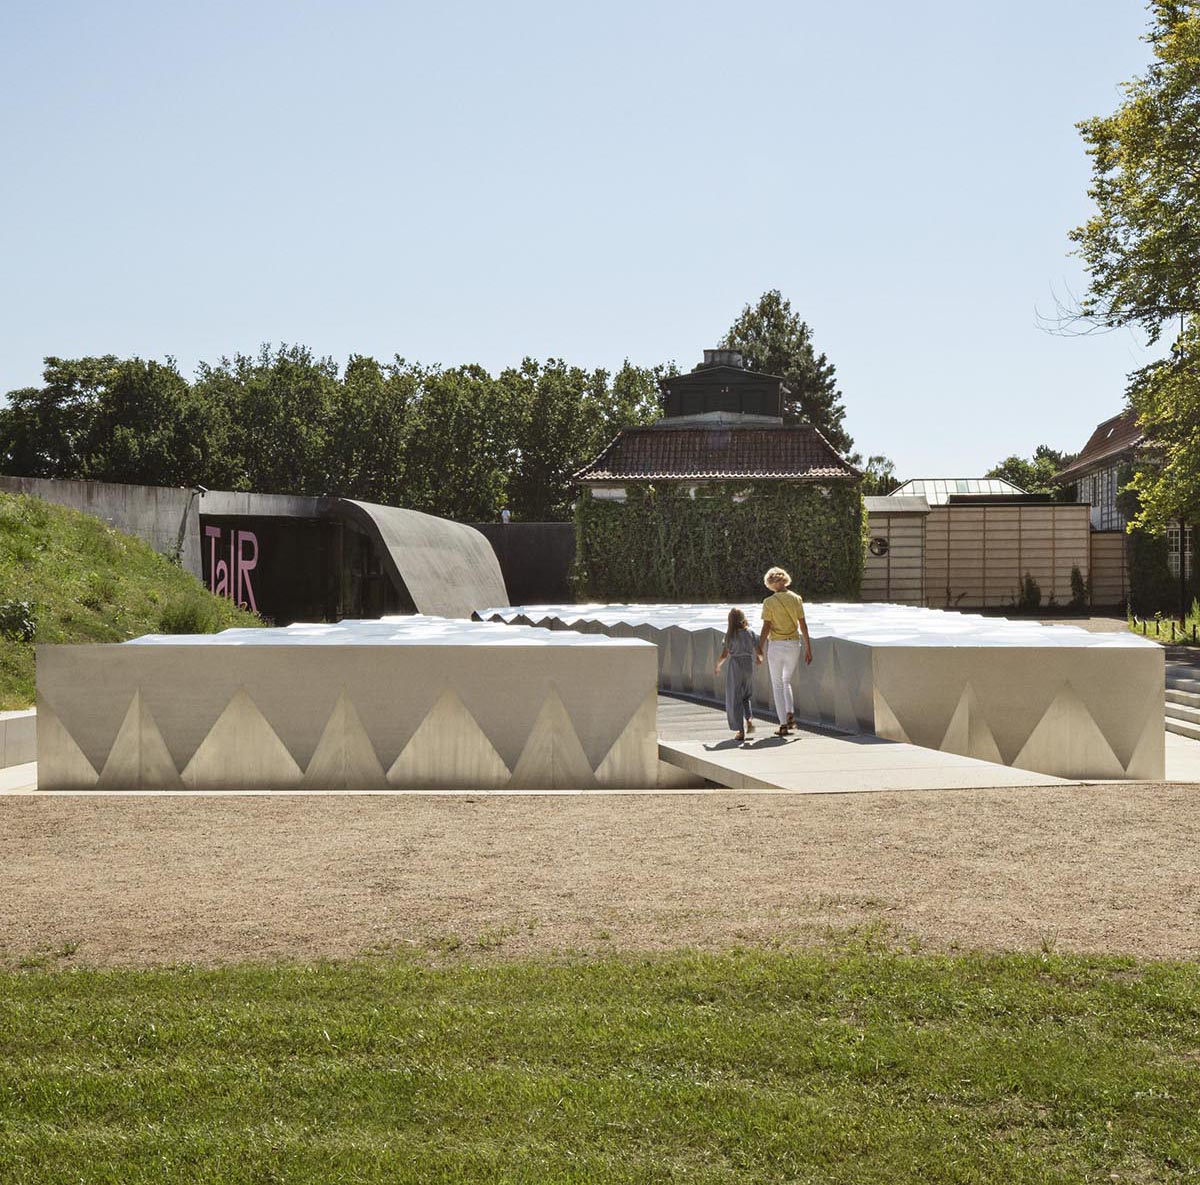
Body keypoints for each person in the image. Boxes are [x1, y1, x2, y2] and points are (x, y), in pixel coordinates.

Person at [757, 566, 812, 736]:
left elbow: (767, 627)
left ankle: (783, 724)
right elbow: (802, 625)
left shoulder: (769, 602)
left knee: (777, 684)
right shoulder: (796, 598)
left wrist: (759, 647)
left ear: (771, 583)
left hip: (776, 646)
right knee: (786, 680)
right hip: (794, 644)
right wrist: (808, 648)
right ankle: (790, 713)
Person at [714, 607, 762, 742]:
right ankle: (749, 719)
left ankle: (740, 731)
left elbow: (724, 655)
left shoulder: (730, 635)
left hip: (735, 666)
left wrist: (718, 666)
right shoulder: (750, 632)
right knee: (746, 696)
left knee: (734, 698)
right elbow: (759, 651)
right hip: (748, 665)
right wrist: (759, 659)